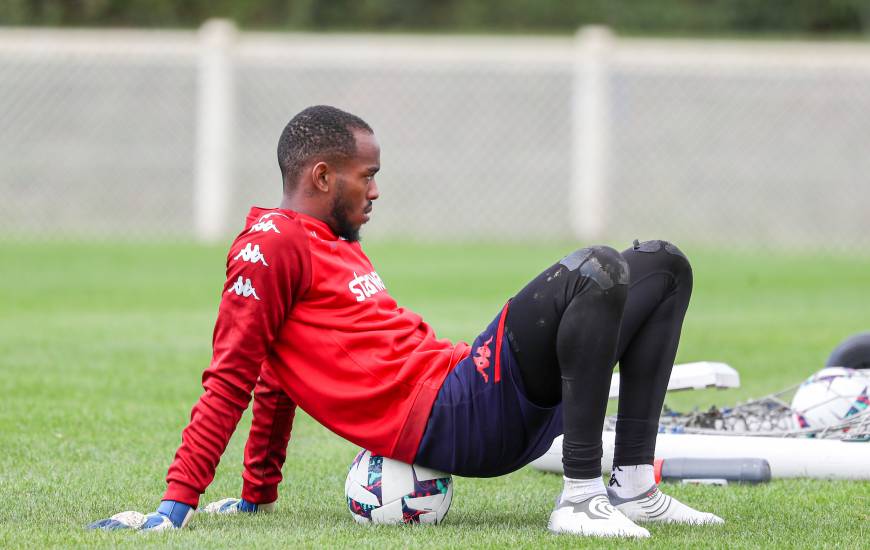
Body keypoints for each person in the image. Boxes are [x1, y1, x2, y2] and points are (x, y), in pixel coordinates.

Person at [89, 105, 722, 538]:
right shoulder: (273, 242)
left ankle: (634, 486)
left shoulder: (331, 242)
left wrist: (259, 494)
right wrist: (175, 507)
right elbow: (232, 375)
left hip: (468, 383)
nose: (375, 191)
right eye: (367, 177)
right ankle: (582, 499)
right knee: (595, 268)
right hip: (457, 413)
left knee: (665, 266)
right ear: (321, 175)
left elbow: (277, 377)